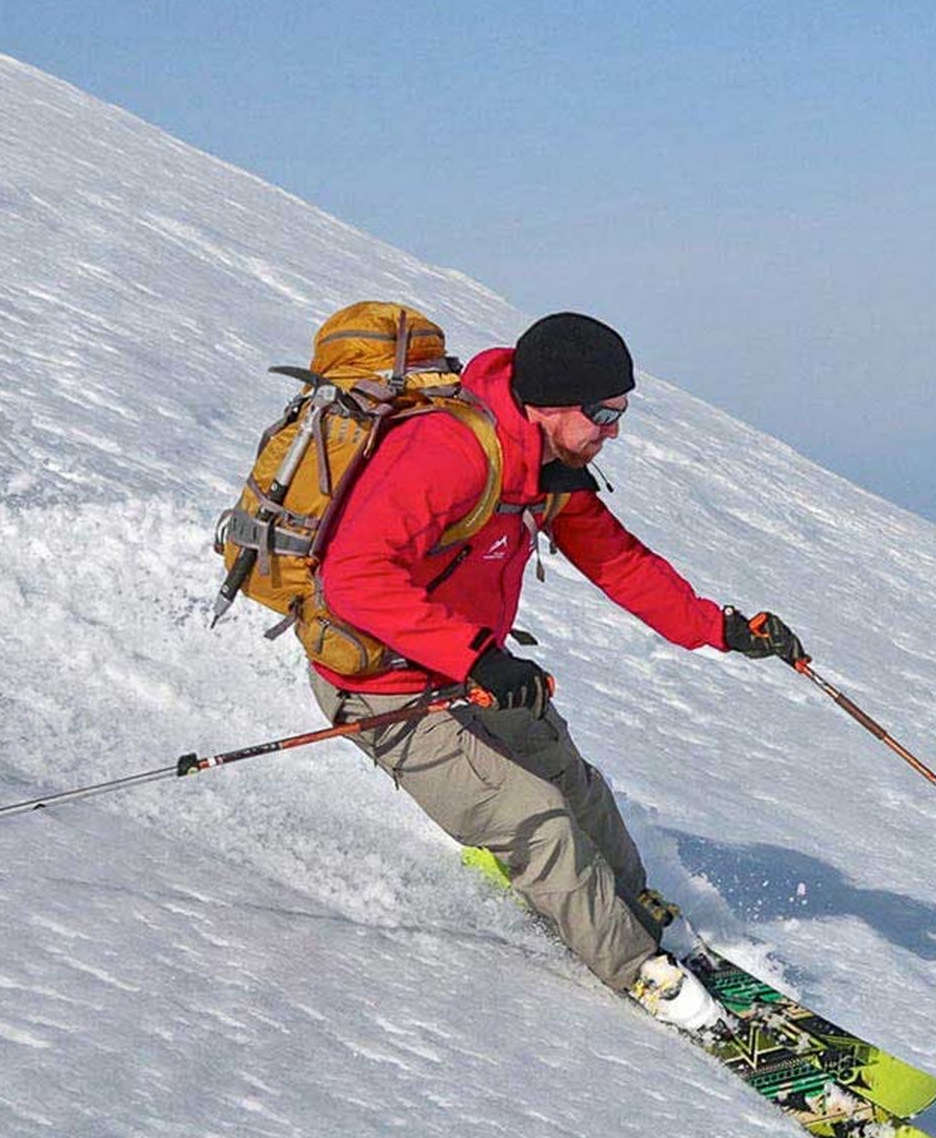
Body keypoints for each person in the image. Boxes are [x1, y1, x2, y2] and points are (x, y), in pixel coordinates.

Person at [308, 311, 806, 1032]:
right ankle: (638, 972)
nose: (614, 430)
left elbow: (616, 559)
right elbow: (354, 578)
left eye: (620, 413)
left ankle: (633, 906)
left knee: (572, 784)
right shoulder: (445, 452)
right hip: (382, 681)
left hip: (471, 663)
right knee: (533, 818)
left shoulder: (542, 467)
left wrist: (718, 628)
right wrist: (474, 654)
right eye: (603, 413)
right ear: (548, 403)